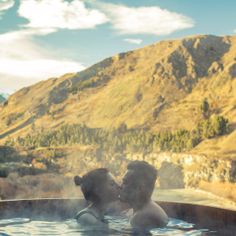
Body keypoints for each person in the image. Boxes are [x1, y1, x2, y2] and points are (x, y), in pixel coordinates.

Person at [120, 161, 169, 233]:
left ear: (140, 188)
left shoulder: (142, 217)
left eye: (125, 182)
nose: (120, 186)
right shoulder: (142, 210)